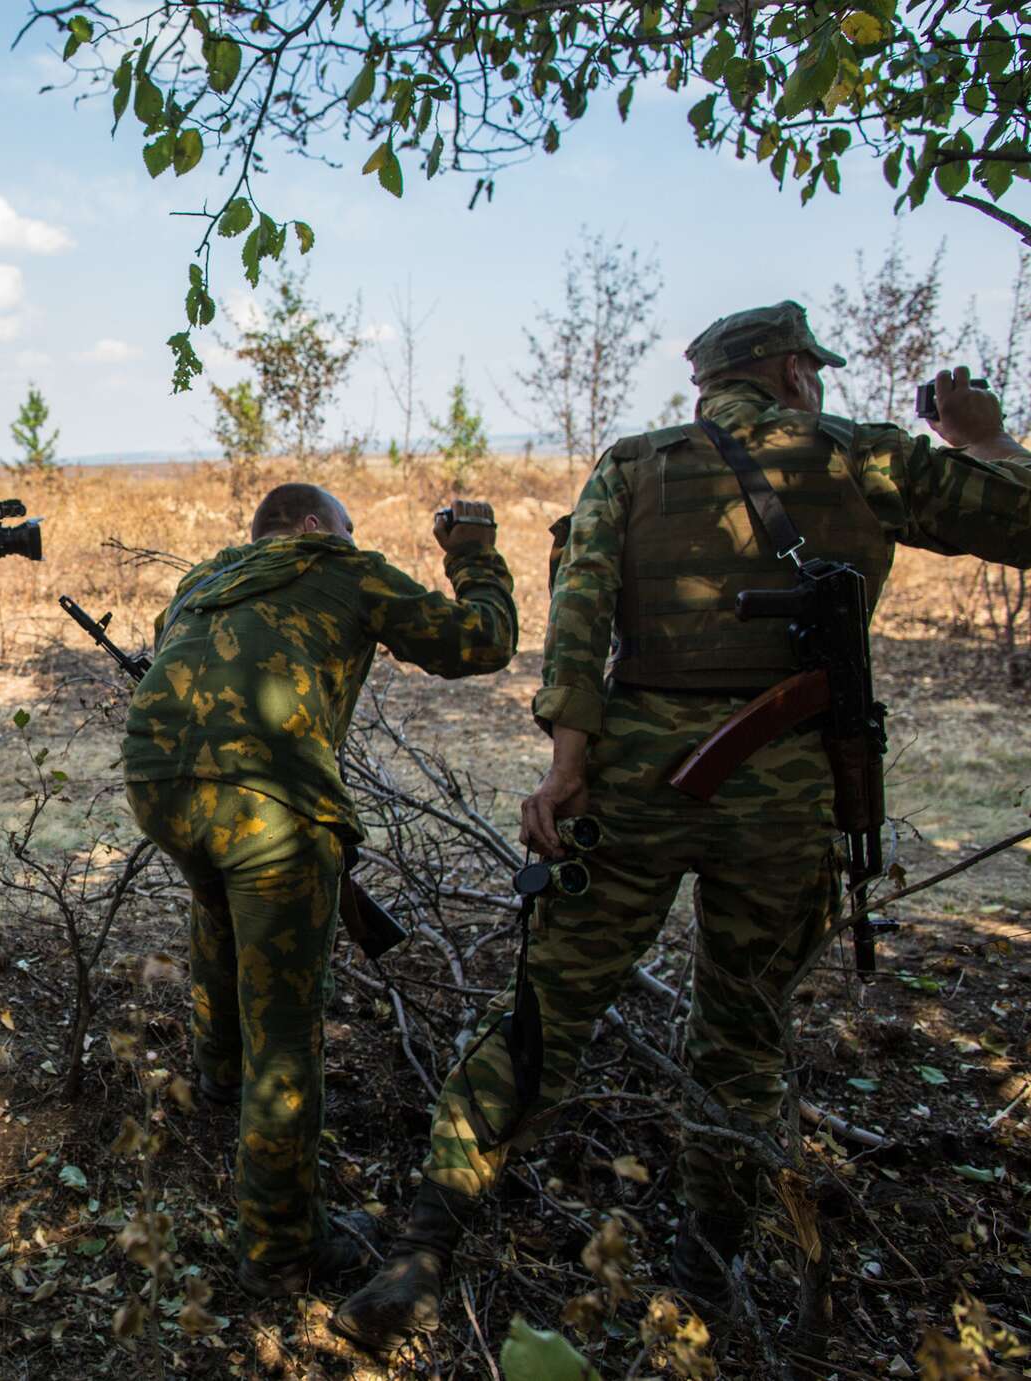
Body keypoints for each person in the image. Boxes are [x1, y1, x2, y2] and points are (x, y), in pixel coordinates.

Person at [336, 303, 1031, 1354]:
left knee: (545, 1007)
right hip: (786, 788)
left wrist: (566, 759)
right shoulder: (857, 459)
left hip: (636, 775)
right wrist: (978, 438)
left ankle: (422, 1248)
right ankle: (699, 1277)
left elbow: (580, 606)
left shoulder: (633, 466)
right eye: (812, 369)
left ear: (707, 385)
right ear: (793, 374)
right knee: (742, 1030)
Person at [122, 482, 518, 1299]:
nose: (351, 536)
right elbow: (479, 642)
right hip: (270, 804)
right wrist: (475, 557)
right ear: (310, 527)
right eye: (345, 526)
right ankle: (280, 1249)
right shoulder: (341, 565)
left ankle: (217, 1085)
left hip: (158, 786)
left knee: (221, 912)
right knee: (289, 1033)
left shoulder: (203, 578)